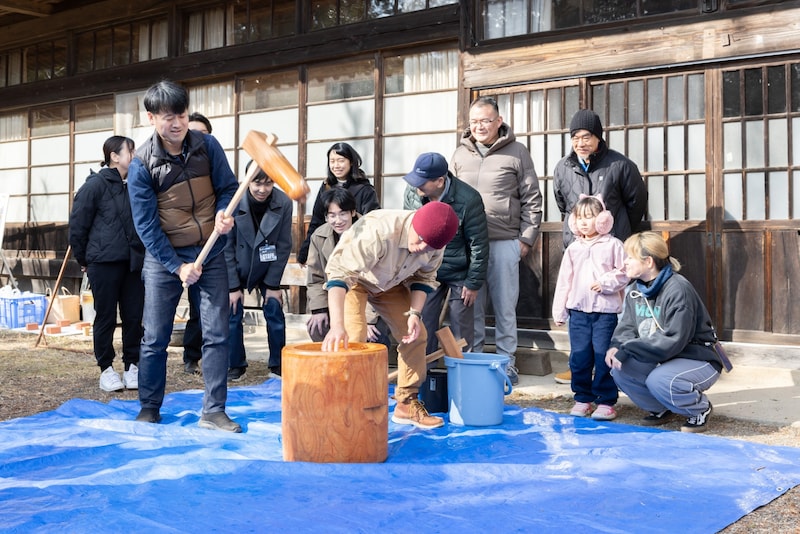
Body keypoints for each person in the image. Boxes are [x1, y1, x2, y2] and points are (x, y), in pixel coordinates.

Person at [127, 80, 241, 432]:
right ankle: (149, 406)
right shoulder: (142, 164)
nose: (177, 123)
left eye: (181, 114)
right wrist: (176, 267)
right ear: (151, 118)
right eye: (168, 117)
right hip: (164, 257)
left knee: (217, 333)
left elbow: (228, 188)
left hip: (210, 250)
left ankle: (214, 410)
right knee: (155, 336)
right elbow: (146, 226)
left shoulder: (207, 146)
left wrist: (224, 213)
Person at [321, 201, 459, 430]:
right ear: (414, 222)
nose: (421, 248)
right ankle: (345, 404)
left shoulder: (436, 244)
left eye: (429, 247)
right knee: (353, 337)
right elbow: (339, 276)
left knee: (416, 335)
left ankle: (406, 403)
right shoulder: (377, 230)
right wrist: (336, 326)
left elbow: (424, 278)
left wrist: (414, 313)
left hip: (391, 284)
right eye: (420, 239)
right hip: (355, 281)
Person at [450, 95, 543, 385]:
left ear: (499, 121)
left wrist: (525, 240)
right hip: (469, 245)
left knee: (504, 308)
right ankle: (474, 361)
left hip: (504, 241)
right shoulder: (460, 154)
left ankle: (506, 363)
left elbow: (532, 198)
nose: (479, 126)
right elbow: (449, 196)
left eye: (485, 121)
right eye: (474, 122)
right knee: (471, 307)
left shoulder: (517, 152)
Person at [552, 109, 647, 385]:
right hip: (578, 248)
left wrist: (617, 231)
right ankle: (579, 369)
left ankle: (613, 372)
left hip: (611, 251)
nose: (580, 143)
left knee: (612, 318)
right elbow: (562, 204)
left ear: (598, 137)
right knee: (579, 317)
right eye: (575, 137)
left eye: (586, 137)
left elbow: (637, 204)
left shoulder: (620, 165)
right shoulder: (563, 167)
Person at [605, 231, 730, 433]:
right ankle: (661, 408)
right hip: (665, 357)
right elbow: (627, 326)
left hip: (697, 357)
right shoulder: (635, 289)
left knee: (660, 380)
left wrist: (627, 349)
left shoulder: (678, 289)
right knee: (621, 369)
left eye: (630, 257)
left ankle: (700, 409)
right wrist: (617, 346)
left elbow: (673, 339)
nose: (624, 262)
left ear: (648, 262)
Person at [69, 136, 145, 393]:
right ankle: (106, 369)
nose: (135, 156)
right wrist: (84, 259)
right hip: (103, 263)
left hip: (133, 262)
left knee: (134, 317)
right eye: (130, 151)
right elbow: (77, 226)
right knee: (105, 317)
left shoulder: (135, 184)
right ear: (114, 156)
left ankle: (132, 366)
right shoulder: (94, 185)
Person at [402, 152, 488, 355]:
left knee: (461, 328)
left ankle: (462, 370)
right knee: (423, 322)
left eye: (422, 182)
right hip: (427, 268)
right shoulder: (413, 192)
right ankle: (426, 371)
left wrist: (473, 282)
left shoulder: (469, 199)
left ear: (440, 181)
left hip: (460, 270)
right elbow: (408, 229)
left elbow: (478, 244)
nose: (416, 186)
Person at [551, 195, 627, 421]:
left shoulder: (613, 245)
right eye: (580, 217)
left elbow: (625, 273)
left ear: (603, 219)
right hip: (578, 313)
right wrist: (559, 310)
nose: (584, 222)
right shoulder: (573, 248)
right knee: (579, 357)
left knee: (603, 356)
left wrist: (605, 283)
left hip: (605, 313)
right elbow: (564, 281)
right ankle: (583, 398)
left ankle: (606, 401)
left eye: (590, 217)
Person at [225, 160, 293, 379]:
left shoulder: (283, 202)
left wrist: (273, 284)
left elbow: (284, 245)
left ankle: (279, 365)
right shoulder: (233, 201)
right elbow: (226, 247)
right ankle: (236, 365)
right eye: (257, 183)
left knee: (274, 310)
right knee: (232, 311)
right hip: (238, 264)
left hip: (267, 267)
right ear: (247, 181)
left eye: (268, 183)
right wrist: (233, 286)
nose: (262, 189)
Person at [296, 142, 381, 265]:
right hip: (329, 247)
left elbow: (372, 223)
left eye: (341, 161)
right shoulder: (326, 186)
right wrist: (305, 253)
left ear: (351, 162)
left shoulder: (365, 189)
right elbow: (317, 220)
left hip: (357, 250)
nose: (336, 165)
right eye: (332, 161)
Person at [182, 112, 214, 375]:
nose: (196, 138)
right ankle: (191, 356)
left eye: (202, 134)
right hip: (181, 247)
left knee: (212, 309)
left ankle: (212, 359)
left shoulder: (214, 162)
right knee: (194, 307)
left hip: (213, 245)